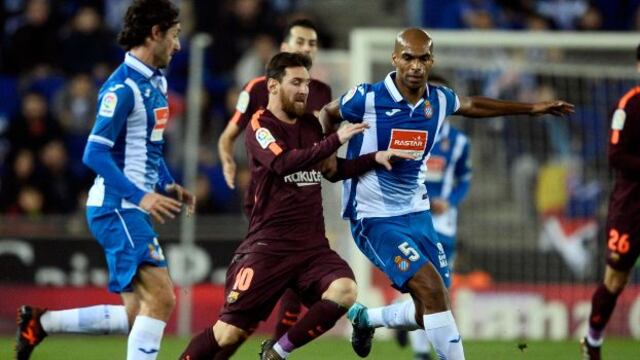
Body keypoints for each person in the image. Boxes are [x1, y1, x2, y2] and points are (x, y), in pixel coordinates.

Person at [320, 28, 574, 359]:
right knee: (430, 290)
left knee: (434, 304)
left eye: (423, 58)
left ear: (431, 60)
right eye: (408, 57)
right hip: (374, 218)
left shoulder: (437, 100)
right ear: (395, 59)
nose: (416, 65)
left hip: (417, 213)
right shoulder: (367, 98)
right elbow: (327, 112)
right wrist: (327, 160)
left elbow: (472, 105)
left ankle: (368, 319)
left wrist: (532, 108)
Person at [179, 52, 411, 360]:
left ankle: (277, 352)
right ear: (273, 86)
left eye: (307, 82)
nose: (304, 89)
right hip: (269, 247)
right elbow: (282, 162)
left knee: (344, 290)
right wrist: (335, 140)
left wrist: (373, 159)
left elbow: (330, 171)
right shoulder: (261, 124)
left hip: (311, 247)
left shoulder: (311, 126)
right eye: (296, 82)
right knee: (228, 333)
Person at [15, 1, 195, 360]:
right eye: (174, 36)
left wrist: (166, 183)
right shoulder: (122, 87)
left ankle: (40, 323)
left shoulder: (155, 80)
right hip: (118, 206)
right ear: (155, 33)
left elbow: (149, 148)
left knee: (136, 312)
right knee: (161, 298)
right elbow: (94, 153)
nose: (177, 45)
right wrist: (140, 196)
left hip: (129, 207)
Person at [218, 18, 331, 341]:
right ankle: (240, 326)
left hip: (305, 193)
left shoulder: (320, 91)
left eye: (312, 43)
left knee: (299, 274)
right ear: (284, 46)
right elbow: (229, 135)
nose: (306, 48)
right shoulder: (257, 87)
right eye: (299, 41)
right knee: (278, 274)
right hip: (266, 198)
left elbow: (321, 145)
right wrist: (228, 160)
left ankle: (276, 346)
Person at [396, 75, 472, 360]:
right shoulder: (408, 132)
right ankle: (421, 354)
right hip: (414, 216)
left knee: (441, 288)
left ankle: (401, 318)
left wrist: (449, 201)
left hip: (444, 222)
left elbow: (465, 180)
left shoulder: (460, 142)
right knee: (422, 287)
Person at [580, 44, 640, 360]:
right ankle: (593, 340)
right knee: (615, 280)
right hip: (631, 209)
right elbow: (616, 156)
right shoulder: (628, 106)